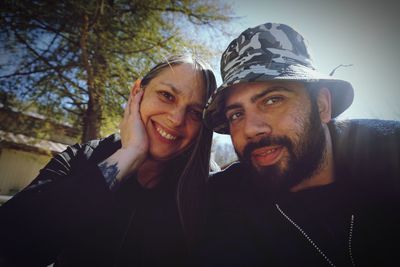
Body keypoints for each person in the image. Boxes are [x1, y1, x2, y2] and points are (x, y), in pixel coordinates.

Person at [201, 22, 400, 266]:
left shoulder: (391, 156)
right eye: (236, 114)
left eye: (273, 100)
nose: (251, 129)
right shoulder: (221, 204)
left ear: (322, 106)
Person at [0, 54, 217, 266]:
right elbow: (12, 245)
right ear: (137, 92)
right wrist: (129, 154)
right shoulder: (79, 160)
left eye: (195, 113)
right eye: (167, 96)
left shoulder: (210, 191)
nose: (177, 119)